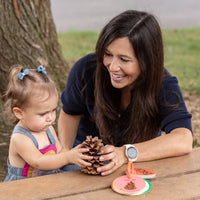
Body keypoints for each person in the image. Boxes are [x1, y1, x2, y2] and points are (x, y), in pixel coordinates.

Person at [58, 10, 193, 176]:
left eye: (124, 59)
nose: (113, 66)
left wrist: (124, 153)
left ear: (147, 61)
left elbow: (183, 139)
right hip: (85, 157)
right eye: (107, 54)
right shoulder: (86, 69)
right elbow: (70, 113)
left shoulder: (162, 84)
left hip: (139, 157)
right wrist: (64, 154)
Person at [3, 60, 92, 182]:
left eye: (53, 110)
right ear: (19, 113)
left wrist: (76, 154)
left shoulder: (47, 128)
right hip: (23, 188)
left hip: (48, 182)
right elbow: (39, 162)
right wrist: (67, 157)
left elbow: (61, 152)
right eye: (43, 114)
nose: (50, 117)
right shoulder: (20, 138)